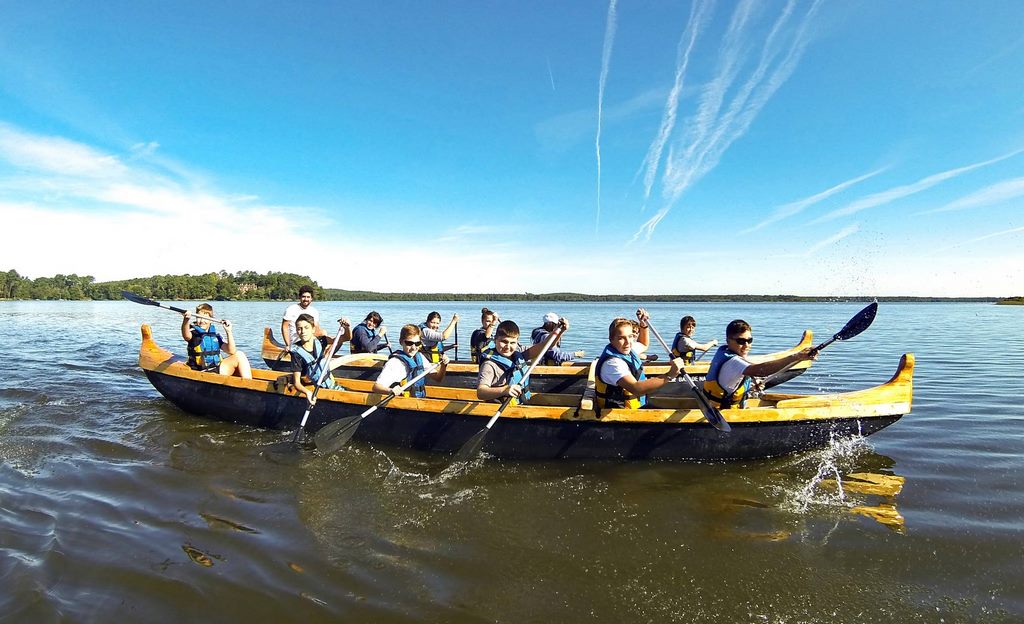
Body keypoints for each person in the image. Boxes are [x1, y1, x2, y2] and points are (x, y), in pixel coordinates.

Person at [703, 319, 817, 409]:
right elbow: (762, 371)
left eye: (749, 340)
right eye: (741, 341)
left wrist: (752, 385)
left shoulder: (725, 353)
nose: (746, 345)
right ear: (728, 340)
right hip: (722, 413)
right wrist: (796, 357)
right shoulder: (734, 362)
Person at [594, 311, 682, 410]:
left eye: (630, 336)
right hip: (620, 414)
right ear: (611, 339)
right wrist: (670, 375)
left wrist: (643, 325)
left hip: (637, 407)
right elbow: (636, 388)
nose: (628, 342)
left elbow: (643, 344)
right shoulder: (613, 364)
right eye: (621, 338)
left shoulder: (628, 349)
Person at [477, 318, 570, 404]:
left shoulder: (519, 353)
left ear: (517, 342)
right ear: (495, 340)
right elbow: (481, 392)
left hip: (520, 405)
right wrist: (504, 390)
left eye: (512, 343)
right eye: (504, 341)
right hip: (499, 409)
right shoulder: (489, 365)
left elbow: (545, 346)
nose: (508, 347)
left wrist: (559, 331)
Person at [372, 324, 450, 398]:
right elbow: (376, 387)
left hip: (419, 402)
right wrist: (391, 390)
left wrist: (443, 365)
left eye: (417, 343)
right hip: (401, 404)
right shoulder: (394, 363)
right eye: (409, 343)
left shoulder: (420, 357)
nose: (413, 347)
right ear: (401, 342)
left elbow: (438, 378)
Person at [290, 314, 352, 405]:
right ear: (296, 331)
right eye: (299, 329)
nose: (303, 331)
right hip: (315, 389)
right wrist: (307, 393)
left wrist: (347, 327)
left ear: (313, 329)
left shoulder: (321, 341)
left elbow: (346, 338)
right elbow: (297, 383)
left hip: (332, 385)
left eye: (306, 328)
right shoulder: (296, 353)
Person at [180, 303, 252, 379]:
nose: (201, 321)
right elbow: (186, 336)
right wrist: (186, 320)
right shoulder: (194, 333)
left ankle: (248, 383)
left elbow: (231, 351)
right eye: (199, 317)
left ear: (211, 320)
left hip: (216, 369)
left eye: (205, 318)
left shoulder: (216, 336)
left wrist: (228, 331)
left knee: (239, 355)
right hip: (200, 372)